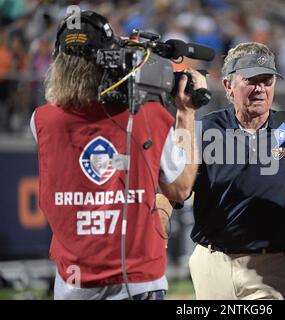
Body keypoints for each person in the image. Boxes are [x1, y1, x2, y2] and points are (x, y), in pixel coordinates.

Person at [30, 10, 205, 300]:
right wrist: (186, 113)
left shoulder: (40, 122)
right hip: (138, 280)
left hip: (73, 282)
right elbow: (181, 186)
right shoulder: (149, 116)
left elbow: (70, 106)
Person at [188, 42, 285, 300]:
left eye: (267, 80)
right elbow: (177, 189)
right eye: (251, 80)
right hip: (212, 261)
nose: (261, 89)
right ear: (229, 86)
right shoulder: (204, 129)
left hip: (271, 265)